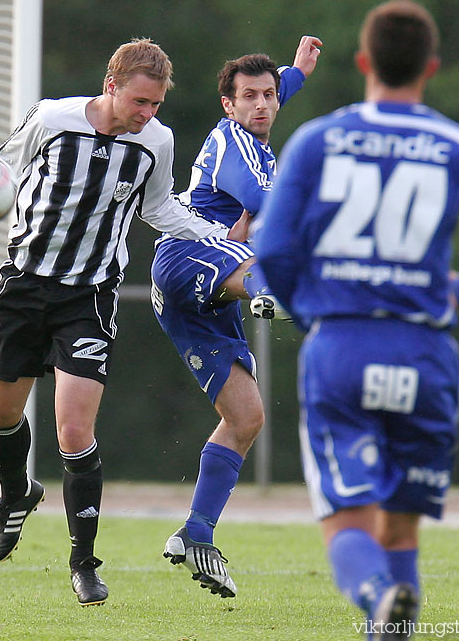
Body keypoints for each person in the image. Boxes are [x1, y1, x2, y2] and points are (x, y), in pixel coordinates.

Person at [254, 0, 459, 639]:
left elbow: (271, 251)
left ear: (364, 62)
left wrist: (308, 308)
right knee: (400, 527)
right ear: (430, 67)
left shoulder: (319, 137)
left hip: (342, 348)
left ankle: (377, 592)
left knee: (348, 523)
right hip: (426, 354)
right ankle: (392, 605)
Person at [0, 38, 240, 607]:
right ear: (111, 86)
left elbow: (159, 210)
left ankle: (84, 562)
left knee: (74, 433)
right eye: (139, 101)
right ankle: (16, 492)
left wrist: (215, 237)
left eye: (155, 104)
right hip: (25, 285)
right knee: (1, 416)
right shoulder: (53, 117)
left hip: (89, 296)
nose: (146, 114)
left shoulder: (156, 142)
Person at [150, 36, 322, 598]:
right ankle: (292, 305)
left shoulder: (260, 121)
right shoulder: (233, 141)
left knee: (246, 418)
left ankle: (196, 532)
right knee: (275, 258)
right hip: (188, 256)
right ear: (228, 105)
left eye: (269, 95)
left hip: (205, 291)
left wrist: (295, 72)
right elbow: (261, 197)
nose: (262, 105)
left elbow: (277, 93)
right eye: (248, 96)